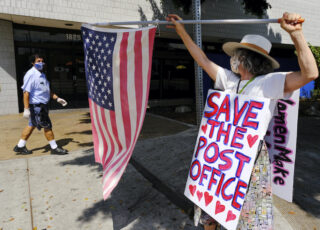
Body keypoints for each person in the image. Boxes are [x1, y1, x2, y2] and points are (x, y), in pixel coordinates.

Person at [167, 12, 318, 230]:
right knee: (212, 205)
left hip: (249, 160)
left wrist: (296, 35)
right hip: (220, 156)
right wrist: (182, 32)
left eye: (236, 55)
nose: (232, 59)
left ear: (245, 59)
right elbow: (202, 59)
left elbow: (310, 74)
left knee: (246, 213)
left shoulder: (270, 83)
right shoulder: (229, 79)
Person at [13, 54, 69, 155]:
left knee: (32, 125)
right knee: (47, 125)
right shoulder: (30, 74)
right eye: (38, 61)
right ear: (32, 63)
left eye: (42, 61)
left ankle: (20, 146)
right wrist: (26, 109)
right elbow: (26, 93)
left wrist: (57, 98)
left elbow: (46, 90)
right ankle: (54, 148)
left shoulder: (42, 74)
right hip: (37, 107)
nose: (41, 63)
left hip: (43, 105)